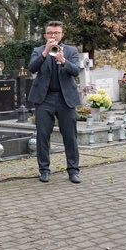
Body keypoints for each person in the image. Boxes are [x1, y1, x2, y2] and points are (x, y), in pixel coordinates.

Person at [28, 20, 81, 183]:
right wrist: (45, 53)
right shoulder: (38, 51)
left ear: (62, 35)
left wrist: (64, 60)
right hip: (45, 99)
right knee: (43, 135)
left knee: (70, 136)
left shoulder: (71, 51)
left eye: (56, 33)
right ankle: (44, 170)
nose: (53, 35)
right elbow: (32, 68)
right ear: (45, 35)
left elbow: (76, 71)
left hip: (65, 99)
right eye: (50, 33)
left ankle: (73, 170)